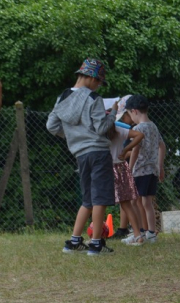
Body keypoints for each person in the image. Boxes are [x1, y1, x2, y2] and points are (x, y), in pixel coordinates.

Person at [47, 58, 116, 256]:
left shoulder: (62, 98)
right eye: (100, 82)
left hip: (80, 154)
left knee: (87, 198)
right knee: (99, 198)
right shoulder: (94, 99)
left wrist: (72, 135)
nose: (99, 86)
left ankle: (74, 241)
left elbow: (51, 126)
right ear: (92, 78)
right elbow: (102, 128)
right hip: (98, 152)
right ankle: (96, 244)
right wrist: (113, 114)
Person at [124, 95, 165, 243]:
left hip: (140, 171)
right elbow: (162, 146)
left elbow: (135, 150)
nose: (130, 118)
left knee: (134, 202)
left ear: (134, 111)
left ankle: (139, 232)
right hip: (152, 171)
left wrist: (129, 168)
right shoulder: (153, 126)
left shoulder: (138, 128)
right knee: (147, 203)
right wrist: (160, 166)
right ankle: (151, 234)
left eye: (129, 114)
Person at [109, 106, 144, 243]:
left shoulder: (98, 132)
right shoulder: (118, 129)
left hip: (106, 169)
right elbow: (139, 135)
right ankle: (137, 235)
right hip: (121, 167)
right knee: (126, 203)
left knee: (98, 203)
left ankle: (96, 238)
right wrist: (125, 150)